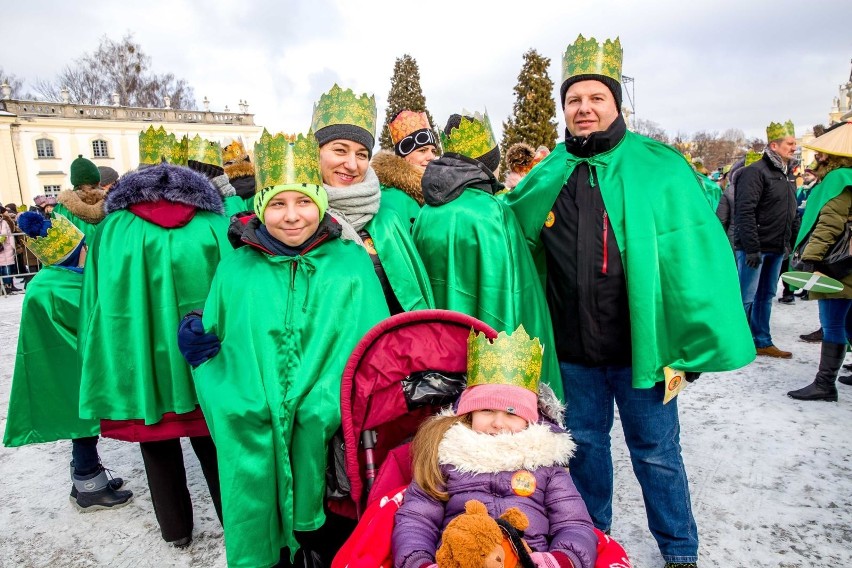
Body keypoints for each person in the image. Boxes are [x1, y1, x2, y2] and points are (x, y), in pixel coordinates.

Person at [504, 35, 755, 568]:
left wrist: (690, 341)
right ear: (564, 109)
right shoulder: (548, 173)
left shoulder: (658, 167)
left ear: (617, 103)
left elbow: (694, 254)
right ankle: (593, 539)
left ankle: (679, 550)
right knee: (585, 450)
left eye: (596, 98)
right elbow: (508, 234)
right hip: (573, 353)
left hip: (644, 350)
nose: (584, 108)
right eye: (574, 100)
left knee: (658, 455)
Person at [184, 131, 390, 568]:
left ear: (320, 201)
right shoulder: (237, 268)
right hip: (254, 424)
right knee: (267, 538)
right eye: (278, 204)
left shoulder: (351, 263)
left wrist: (323, 403)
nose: (292, 216)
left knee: (327, 540)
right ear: (260, 207)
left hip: (330, 444)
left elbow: (371, 347)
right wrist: (203, 351)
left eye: (303, 202)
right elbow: (220, 340)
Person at [77, 129, 231, 548]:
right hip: (203, 357)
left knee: (156, 442)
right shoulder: (214, 224)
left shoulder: (113, 227)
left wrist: (101, 349)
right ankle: (233, 521)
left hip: (142, 355)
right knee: (213, 436)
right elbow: (233, 293)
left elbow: (96, 300)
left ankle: (177, 530)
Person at [393, 326, 598, 568]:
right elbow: (417, 518)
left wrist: (558, 561)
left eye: (511, 413)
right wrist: (419, 562)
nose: (498, 423)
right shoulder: (448, 457)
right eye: (486, 410)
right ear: (469, 413)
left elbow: (573, 523)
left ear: (530, 419)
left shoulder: (545, 466)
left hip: (526, 559)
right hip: (461, 558)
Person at [411, 110, 562, 398]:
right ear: (487, 166)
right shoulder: (493, 212)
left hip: (436, 361)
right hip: (494, 369)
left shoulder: (427, 212)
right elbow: (513, 294)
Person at [3, 211, 133, 511]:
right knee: (82, 425)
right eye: (84, 247)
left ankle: (89, 478)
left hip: (65, 364)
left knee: (82, 423)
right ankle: (89, 485)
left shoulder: (54, 279)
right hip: (69, 367)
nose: (88, 252)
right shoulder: (59, 287)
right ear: (71, 254)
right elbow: (91, 322)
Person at [311, 84, 433, 314]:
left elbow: (412, 300)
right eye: (340, 150)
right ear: (316, 152)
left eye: (362, 154)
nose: (351, 164)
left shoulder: (388, 220)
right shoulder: (295, 221)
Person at [787, 121, 852, 399]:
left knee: (834, 322)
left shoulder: (838, 180)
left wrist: (810, 260)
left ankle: (825, 384)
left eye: (823, 154)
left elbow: (828, 223)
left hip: (838, 266)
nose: (818, 157)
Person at [734, 120, 800, 357]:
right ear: (774, 145)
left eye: (795, 143)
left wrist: (789, 241)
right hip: (756, 247)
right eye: (790, 143)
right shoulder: (755, 172)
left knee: (766, 296)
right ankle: (736, 343)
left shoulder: (787, 175)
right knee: (746, 297)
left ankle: (762, 340)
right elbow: (745, 211)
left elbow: (790, 210)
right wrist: (751, 247)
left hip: (776, 247)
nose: (794, 147)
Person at [371, 109, 438, 227]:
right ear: (404, 156)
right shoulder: (389, 198)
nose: (431, 157)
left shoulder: (436, 191)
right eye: (422, 150)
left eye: (433, 151)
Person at [53, 155, 107, 243]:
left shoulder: (61, 209)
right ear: (98, 182)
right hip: (105, 254)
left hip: (78, 255)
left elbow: (59, 240)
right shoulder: (111, 205)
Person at [0, 205, 21, 293]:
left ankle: (8, 285)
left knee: (7, 267)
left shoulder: (3, 222)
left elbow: (5, 233)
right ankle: (6, 286)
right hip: (4, 247)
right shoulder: (4, 221)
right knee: (5, 268)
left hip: (6, 248)